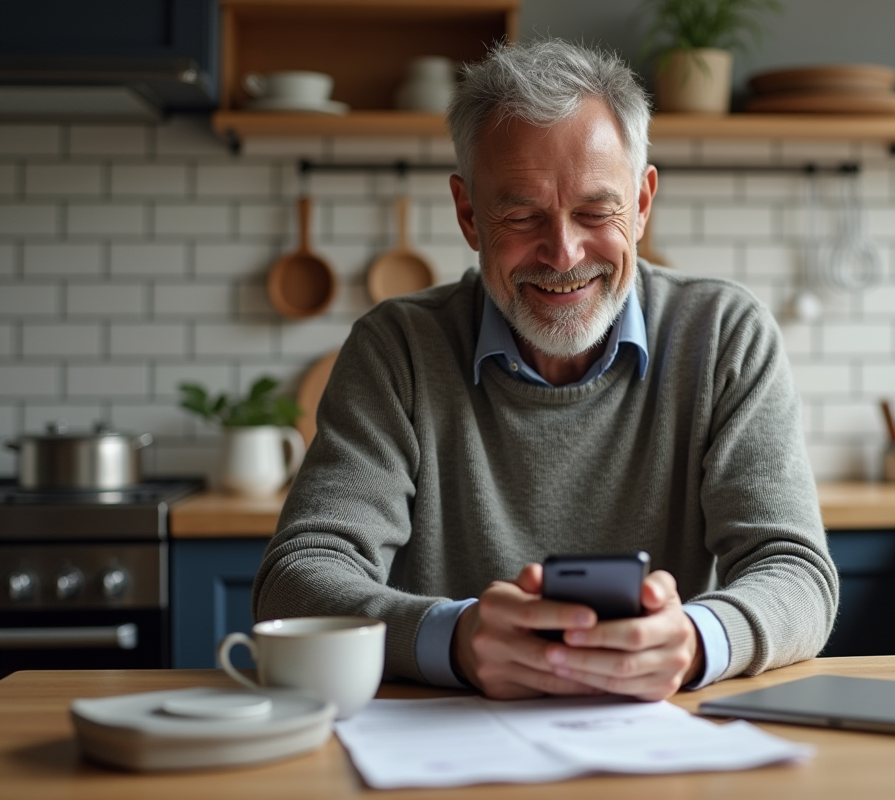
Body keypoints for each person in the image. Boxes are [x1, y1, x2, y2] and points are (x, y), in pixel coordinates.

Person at [252, 39, 838, 702]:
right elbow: (297, 579)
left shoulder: (725, 334)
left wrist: (697, 639)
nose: (563, 254)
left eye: (595, 211)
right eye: (522, 214)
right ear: (470, 215)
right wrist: (453, 638)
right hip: (450, 745)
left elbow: (795, 574)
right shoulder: (398, 348)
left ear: (642, 204)